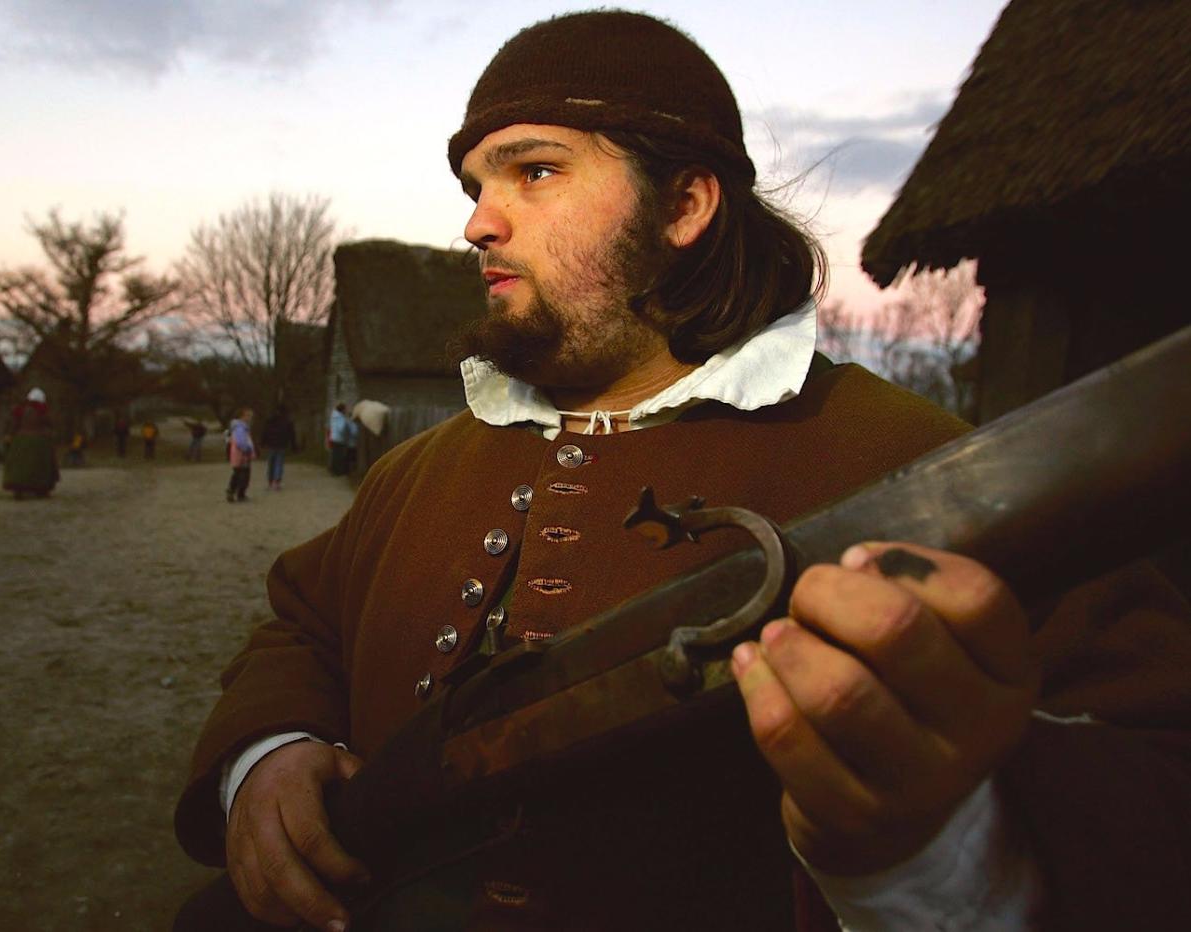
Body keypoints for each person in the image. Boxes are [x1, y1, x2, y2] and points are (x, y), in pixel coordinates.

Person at [175, 11, 1191, 932]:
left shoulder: (917, 459)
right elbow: (303, 617)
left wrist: (941, 840)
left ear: (687, 204)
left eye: (534, 170)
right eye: (477, 184)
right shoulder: (416, 467)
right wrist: (268, 754)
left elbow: (1158, 772)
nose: (480, 219)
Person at [2, 387, 59, 498]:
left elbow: (14, 423)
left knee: (19, 465)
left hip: (20, 440)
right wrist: (49, 434)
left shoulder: (20, 410)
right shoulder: (43, 410)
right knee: (41, 465)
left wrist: (9, 435)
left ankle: (18, 489)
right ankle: (41, 489)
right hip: (40, 441)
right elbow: (49, 423)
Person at [260, 405, 296, 491]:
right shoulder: (287, 422)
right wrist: (293, 445)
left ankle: (270, 481)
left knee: (271, 463)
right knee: (278, 463)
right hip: (281, 444)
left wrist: (262, 442)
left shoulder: (269, 421)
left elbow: (265, 432)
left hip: (271, 444)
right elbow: (292, 435)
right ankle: (276, 481)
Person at [226, 408, 256, 503]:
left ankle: (236, 492)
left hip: (242, 454)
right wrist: (246, 449)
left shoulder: (243, 427)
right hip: (241, 454)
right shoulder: (240, 428)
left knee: (240, 473)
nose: (250, 418)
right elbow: (240, 441)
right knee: (242, 474)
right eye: (248, 416)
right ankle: (237, 492)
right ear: (242, 416)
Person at [327, 403, 349, 476]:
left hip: (334, 437)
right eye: (345, 409)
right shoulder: (340, 418)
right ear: (342, 410)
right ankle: (338, 471)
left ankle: (333, 470)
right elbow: (341, 429)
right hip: (339, 439)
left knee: (334, 455)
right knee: (339, 456)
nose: (346, 410)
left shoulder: (334, 416)